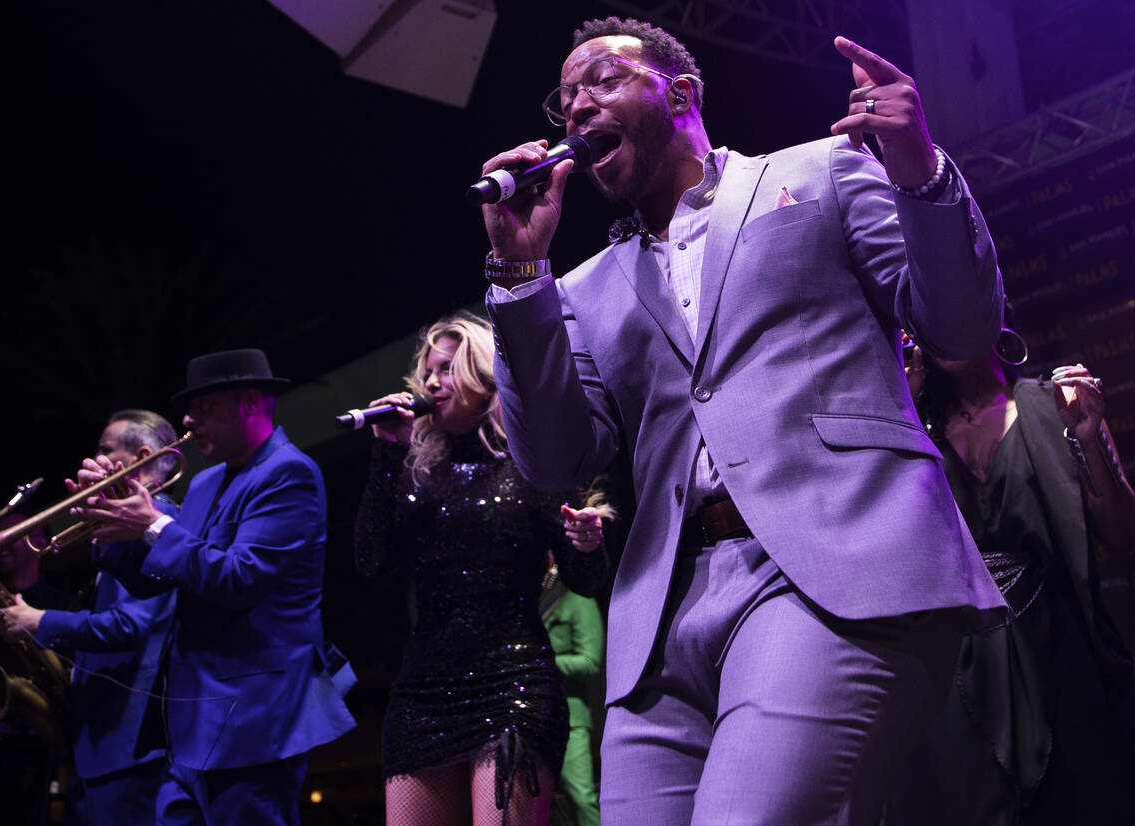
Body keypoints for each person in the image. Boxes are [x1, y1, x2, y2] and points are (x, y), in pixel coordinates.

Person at [477, 16, 1009, 824]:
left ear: (681, 94)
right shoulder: (582, 290)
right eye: (566, 98)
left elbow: (961, 332)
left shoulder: (823, 172)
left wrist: (919, 172)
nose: (578, 107)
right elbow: (553, 464)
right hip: (661, 615)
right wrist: (521, 277)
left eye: (603, 82)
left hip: (829, 568)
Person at [70, 348, 356, 826]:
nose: (186, 419)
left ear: (247, 402)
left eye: (202, 407)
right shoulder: (203, 484)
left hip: (253, 722)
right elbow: (157, 580)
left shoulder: (289, 473)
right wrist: (112, 522)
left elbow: (238, 579)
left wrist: (155, 525)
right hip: (189, 724)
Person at [353, 312, 610, 826]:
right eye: (426, 371)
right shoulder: (414, 474)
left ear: (483, 376)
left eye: (446, 369)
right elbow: (371, 562)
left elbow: (584, 580)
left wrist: (586, 544)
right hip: (421, 695)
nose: (430, 382)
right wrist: (385, 454)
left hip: (513, 688)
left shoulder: (530, 464)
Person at [886, 338, 1135, 824]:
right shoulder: (916, 428)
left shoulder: (1051, 403)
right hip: (962, 669)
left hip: (1061, 649)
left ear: (993, 311)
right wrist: (904, 407)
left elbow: (1122, 534)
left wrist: (1087, 437)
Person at [0, 409, 181, 825]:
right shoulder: (124, 530)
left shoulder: (152, 525)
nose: (89, 461)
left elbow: (131, 625)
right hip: (107, 740)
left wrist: (39, 622)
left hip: (126, 743)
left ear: (140, 457)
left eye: (103, 450)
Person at [540, 551, 604, 826]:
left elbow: (591, 661)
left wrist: (543, 663)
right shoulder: (524, 600)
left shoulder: (576, 600)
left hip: (569, 716)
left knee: (581, 798)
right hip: (527, 714)